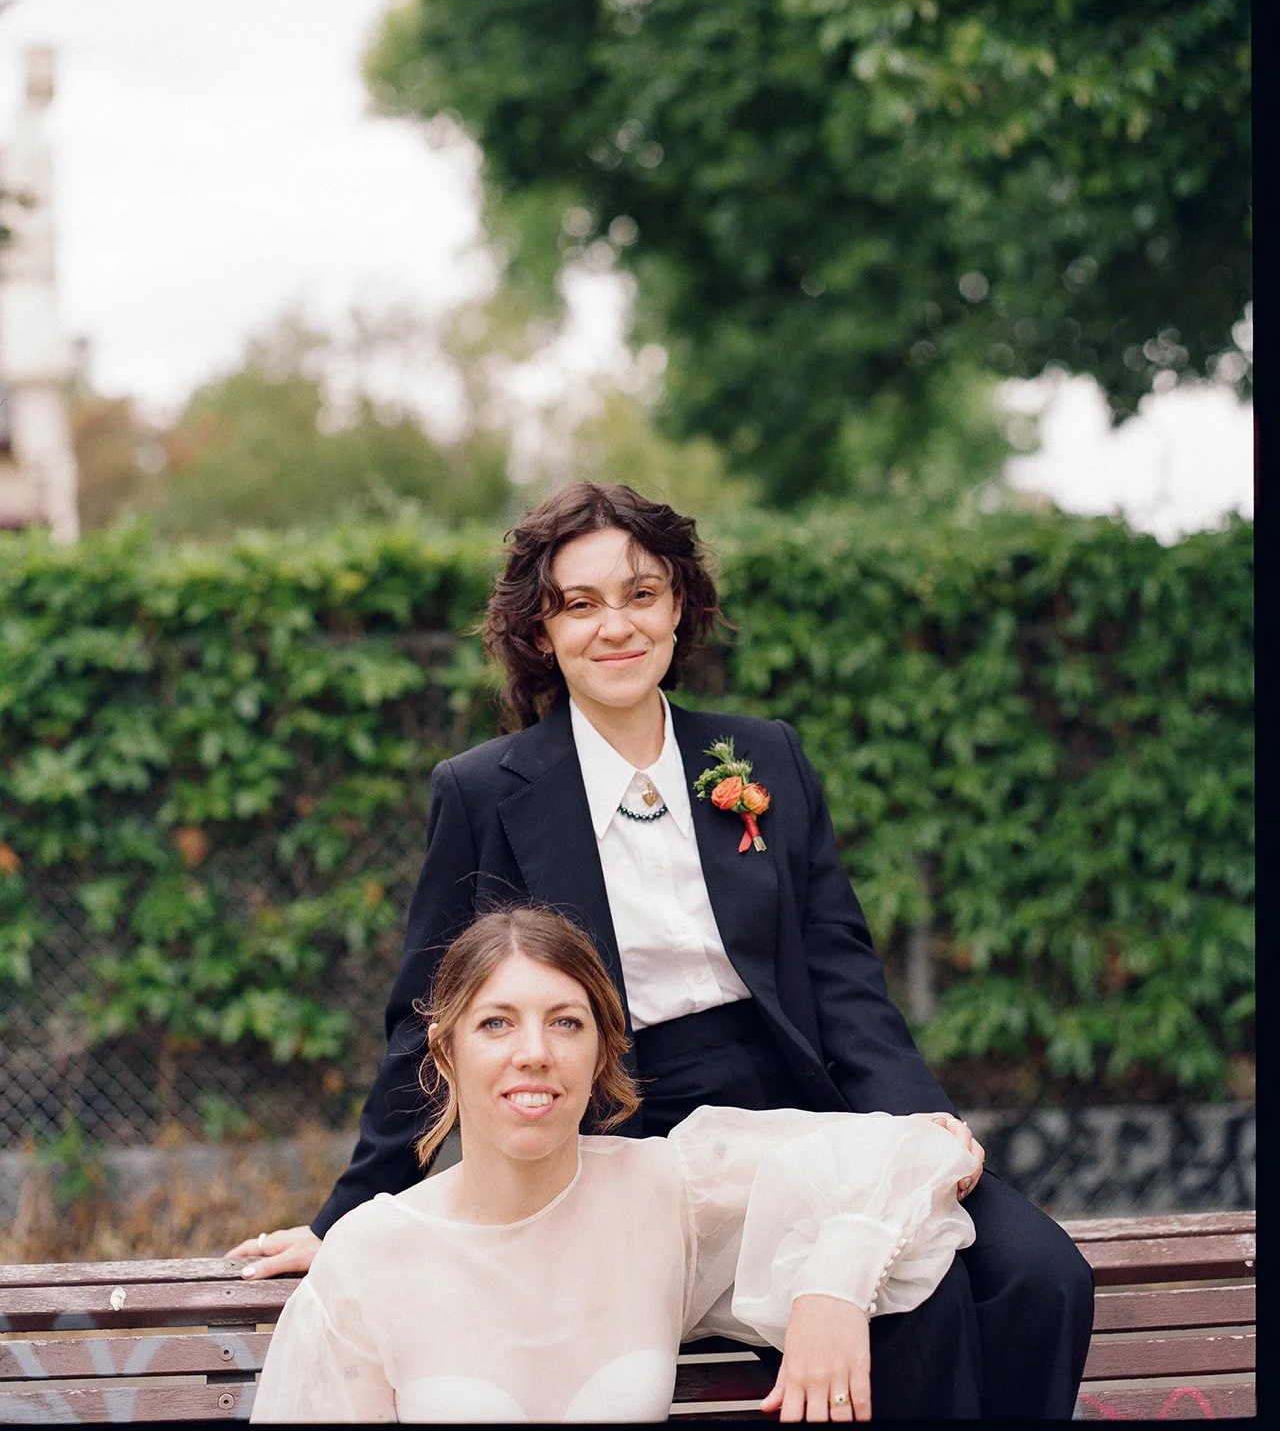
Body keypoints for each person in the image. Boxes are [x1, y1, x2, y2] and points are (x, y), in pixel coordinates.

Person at [230, 481, 1092, 1418]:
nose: (617, 627)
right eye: (581, 605)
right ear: (541, 633)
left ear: (680, 606)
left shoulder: (763, 758)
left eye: (642, 595)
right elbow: (428, 1016)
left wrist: (922, 1129)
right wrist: (349, 1214)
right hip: (625, 1127)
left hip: (800, 1104)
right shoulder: (485, 791)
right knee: (915, 1304)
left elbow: (842, 972)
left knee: (1038, 1277)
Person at [251, 908, 981, 1422]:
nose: (533, 1051)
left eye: (566, 1022)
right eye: (496, 1023)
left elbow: (921, 1149)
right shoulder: (370, 1256)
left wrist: (832, 1286)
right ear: (445, 1052)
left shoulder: (664, 1194)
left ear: (601, 1050)